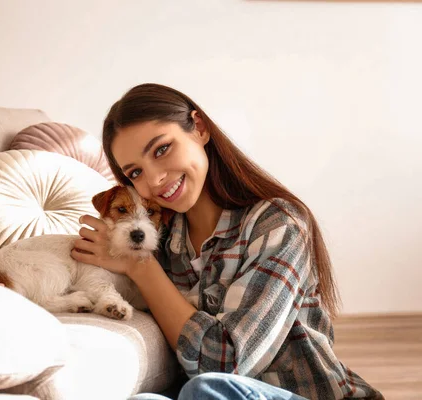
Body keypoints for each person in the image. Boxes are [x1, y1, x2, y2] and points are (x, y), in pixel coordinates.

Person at [69, 83, 383, 400]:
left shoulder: (277, 224)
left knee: (207, 389)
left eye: (162, 149)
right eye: (135, 173)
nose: (153, 180)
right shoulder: (160, 237)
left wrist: (142, 268)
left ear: (200, 129)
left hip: (299, 394)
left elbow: (228, 365)